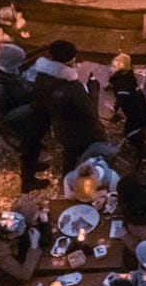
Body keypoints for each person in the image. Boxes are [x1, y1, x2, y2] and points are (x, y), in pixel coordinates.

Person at [27, 38, 104, 183]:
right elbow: (91, 112)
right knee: (83, 151)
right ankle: (87, 178)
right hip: (80, 131)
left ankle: (66, 178)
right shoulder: (72, 88)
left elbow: (40, 102)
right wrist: (93, 87)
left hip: (60, 128)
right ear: (70, 61)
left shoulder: (41, 78)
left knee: (69, 151)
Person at [106, 52, 146, 157]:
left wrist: (115, 108)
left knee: (131, 129)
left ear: (121, 66)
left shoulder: (121, 80)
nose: (111, 69)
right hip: (141, 106)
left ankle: (141, 147)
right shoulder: (126, 76)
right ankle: (144, 132)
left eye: (114, 66)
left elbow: (123, 95)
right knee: (137, 123)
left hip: (135, 109)